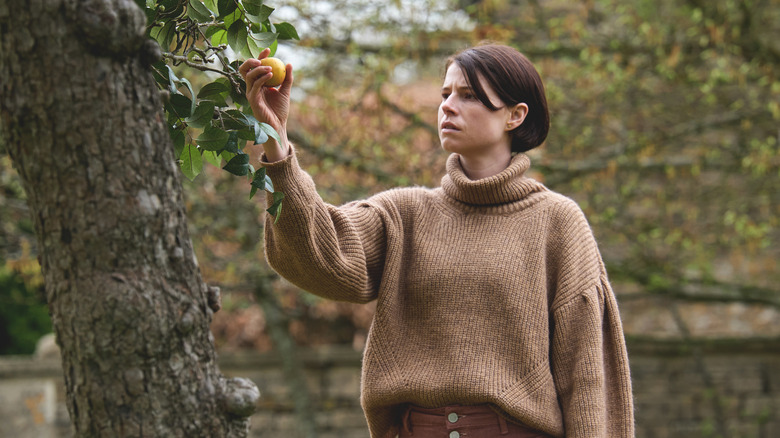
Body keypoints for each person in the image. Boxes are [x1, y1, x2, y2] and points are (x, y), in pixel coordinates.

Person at [239, 43, 635, 438]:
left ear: (515, 115)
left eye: (468, 96)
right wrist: (277, 141)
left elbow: (587, 379)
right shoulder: (404, 215)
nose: (447, 106)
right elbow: (318, 255)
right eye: (445, 94)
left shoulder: (557, 222)